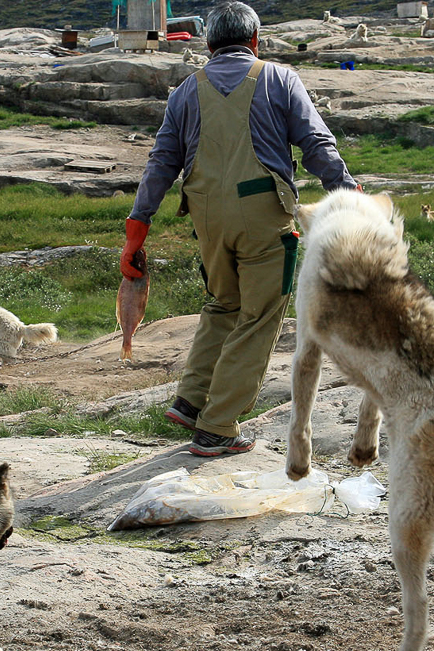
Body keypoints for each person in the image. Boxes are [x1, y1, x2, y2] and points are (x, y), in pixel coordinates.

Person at [121, 1, 360, 457]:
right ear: (255, 41)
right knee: (260, 317)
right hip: (263, 212)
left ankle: (191, 400)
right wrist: (348, 195)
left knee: (222, 304)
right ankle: (217, 427)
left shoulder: (185, 91)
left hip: (207, 215)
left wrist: (137, 232)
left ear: (208, 45)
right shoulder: (279, 78)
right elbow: (315, 144)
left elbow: (161, 164)